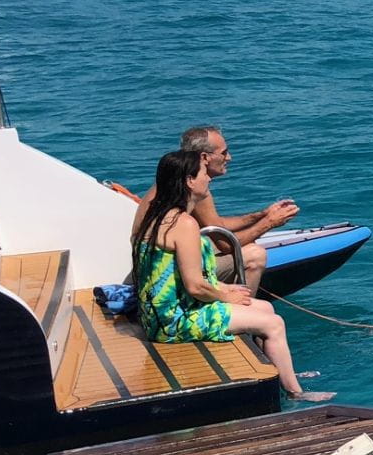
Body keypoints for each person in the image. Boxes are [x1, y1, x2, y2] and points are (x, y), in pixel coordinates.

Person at [131, 150, 332, 403]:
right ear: (189, 181)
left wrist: (226, 292)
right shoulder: (183, 224)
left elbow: (180, 279)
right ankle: (296, 393)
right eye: (204, 173)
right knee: (274, 323)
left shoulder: (162, 215)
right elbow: (194, 286)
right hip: (173, 322)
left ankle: (280, 372)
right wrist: (226, 294)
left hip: (162, 314)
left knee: (266, 308)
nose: (209, 179)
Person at [138, 125, 299, 295]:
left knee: (246, 243)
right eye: (224, 153)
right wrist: (269, 223)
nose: (229, 158)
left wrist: (260, 215)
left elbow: (217, 224)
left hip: (151, 261)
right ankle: (243, 309)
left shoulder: (178, 177)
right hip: (159, 271)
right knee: (255, 255)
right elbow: (226, 245)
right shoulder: (192, 188)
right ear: (205, 157)